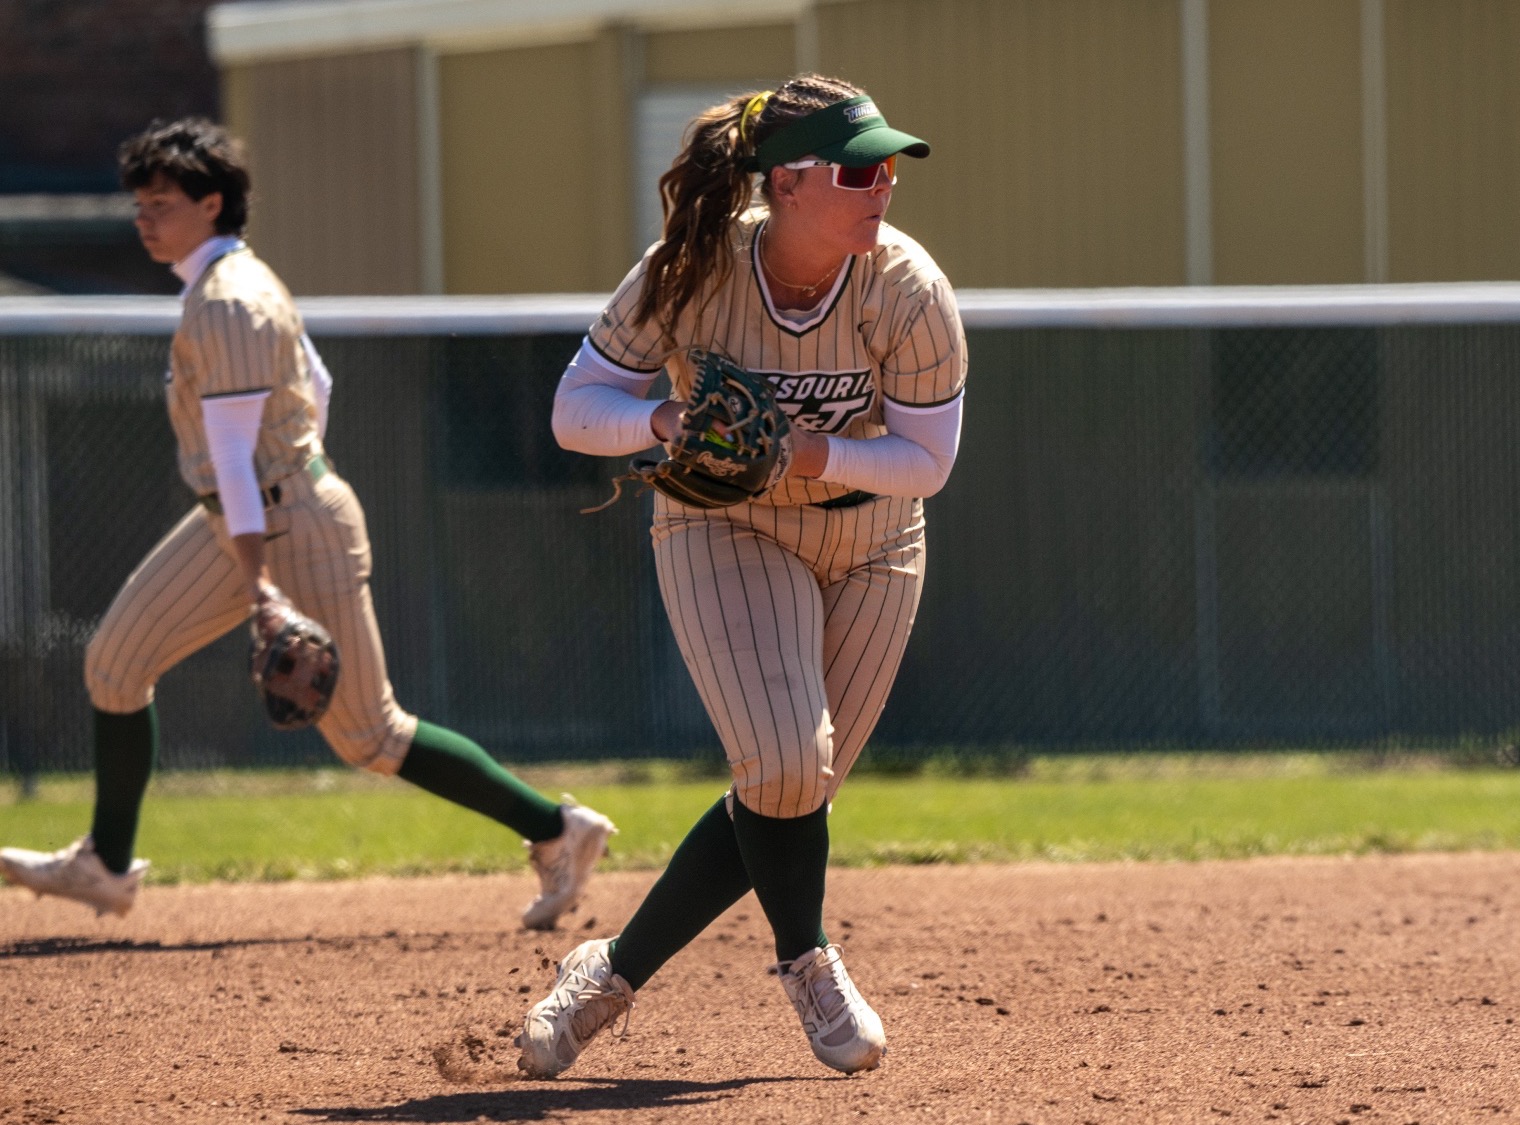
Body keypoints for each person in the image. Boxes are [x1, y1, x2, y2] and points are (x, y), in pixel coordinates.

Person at [0, 118, 615, 930]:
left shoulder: (230, 303)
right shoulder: (236, 284)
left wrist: (259, 577)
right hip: (255, 514)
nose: (143, 217)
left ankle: (557, 829)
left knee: (369, 733)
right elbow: (315, 388)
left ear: (211, 202)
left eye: (161, 202)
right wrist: (286, 482)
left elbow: (232, 458)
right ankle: (106, 866)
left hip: (280, 525)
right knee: (115, 662)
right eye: (139, 202)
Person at [517, 75, 966, 1079]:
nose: (883, 183)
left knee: (789, 786)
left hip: (877, 541)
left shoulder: (905, 286)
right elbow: (576, 406)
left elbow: (926, 462)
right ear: (788, 181)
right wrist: (662, 421)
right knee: (782, 764)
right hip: (730, 528)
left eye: (890, 163)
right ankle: (805, 959)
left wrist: (809, 454)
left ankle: (607, 970)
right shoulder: (690, 271)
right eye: (860, 168)